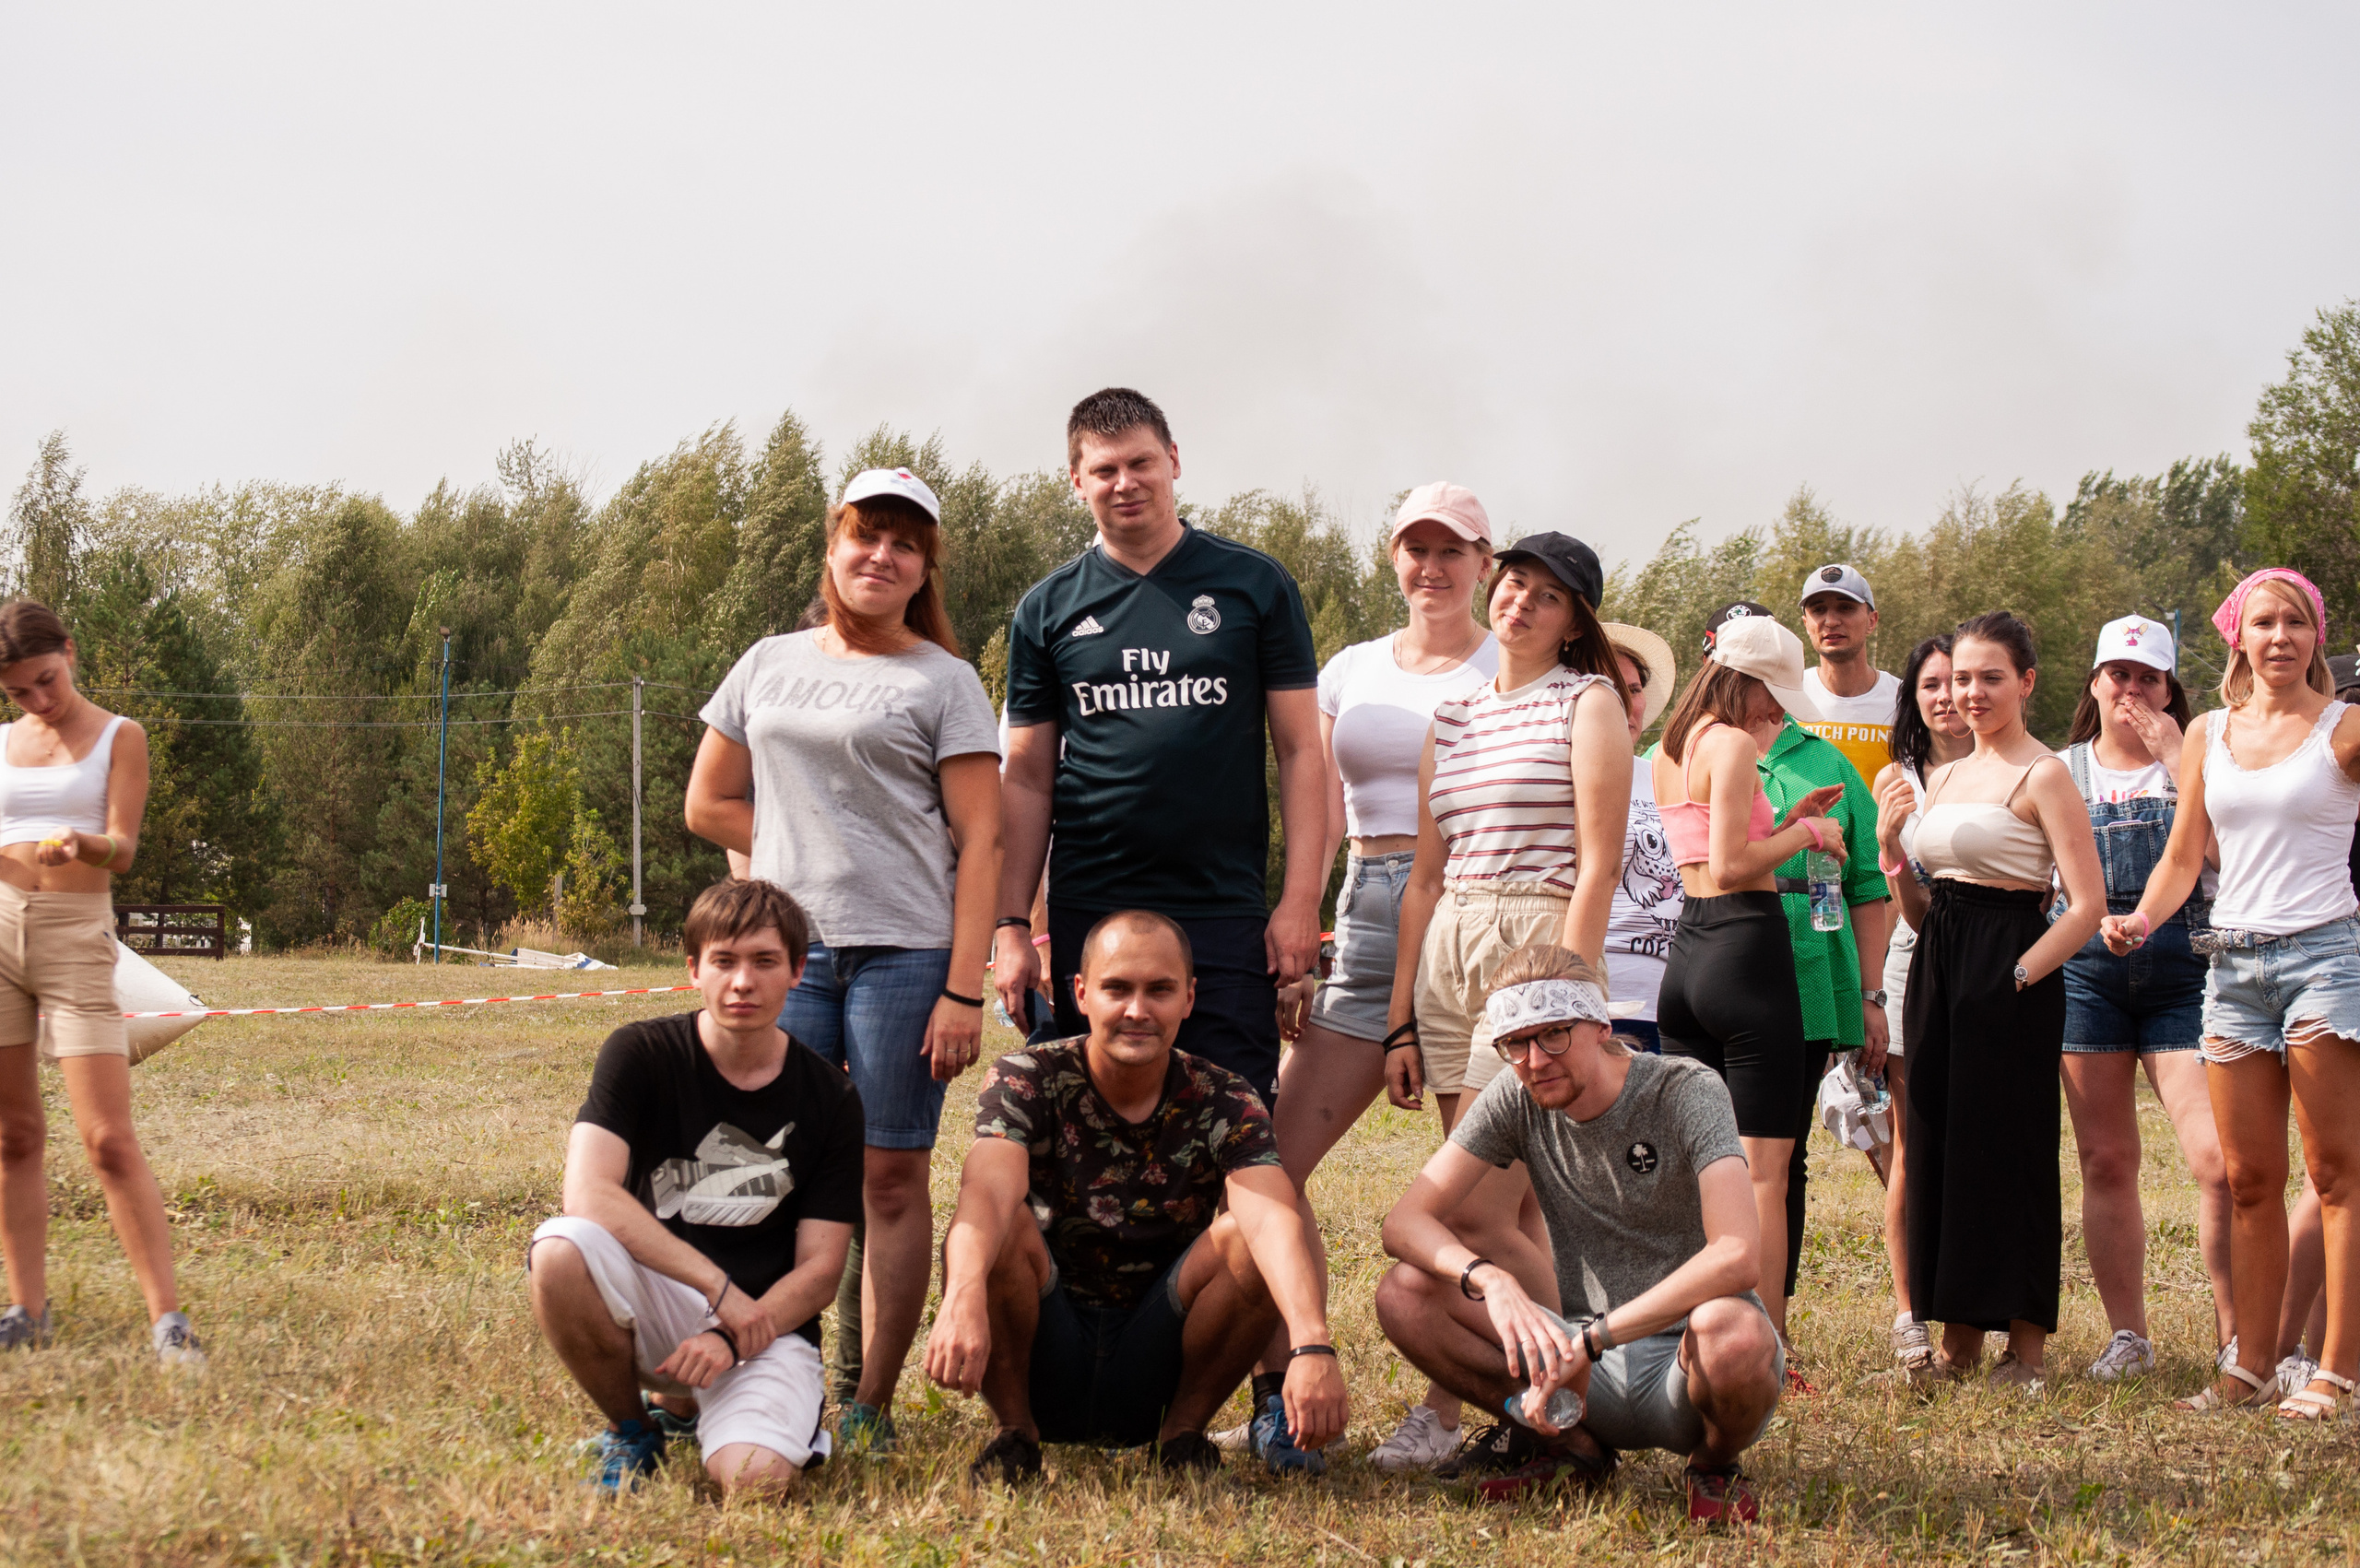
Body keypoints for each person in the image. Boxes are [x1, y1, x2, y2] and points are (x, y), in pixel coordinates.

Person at [685, 465, 1003, 1449]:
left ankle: (867, 1401)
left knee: (888, 1181)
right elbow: (708, 802)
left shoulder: (943, 682)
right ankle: (758, 1370)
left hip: (908, 958)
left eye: (905, 545)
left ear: (924, 572)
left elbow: (982, 841)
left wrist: (963, 989)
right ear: (832, 549)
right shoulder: (768, 661)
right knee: (758, 1162)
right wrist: (774, 862)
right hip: (792, 960)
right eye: (866, 536)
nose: (882, 556)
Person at [923, 911, 1348, 1481]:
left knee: (1252, 1230)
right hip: (1042, 1348)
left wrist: (1311, 1343)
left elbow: (1272, 1216)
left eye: (1160, 990)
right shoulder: (1027, 1076)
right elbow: (987, 1194)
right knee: (1001, 1228)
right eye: (1117, 988)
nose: (1137, 1010)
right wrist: (963, 1293)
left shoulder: (1226, 1096)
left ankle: (1182, 1439)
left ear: (1190, 999)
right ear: (1081, 993)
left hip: (1162, 1359)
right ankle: (1015, 1436)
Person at [1255, 482, 1498, 1471]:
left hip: (1469, 906)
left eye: (1453, 549)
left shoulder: (1511, 661)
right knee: (1268, 1163)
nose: (1431, 566)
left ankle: (1446, 1409)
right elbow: (1309, 799)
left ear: (1486, 560)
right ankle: (1282, 1392)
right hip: (1362, 905)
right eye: (1415, 548)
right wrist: (1298, 917)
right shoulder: (1347, 669)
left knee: (1472, 1189)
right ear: (1391, 558)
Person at [1374, 943, 1782, 1525]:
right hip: (1579, 1366)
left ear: (1600, 1025)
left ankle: (1712, 1466)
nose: (1535, 1060)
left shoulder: (1685, 1089)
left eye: (1555, 1034)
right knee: (1405, 1292)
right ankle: (1574, 1451)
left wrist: (1592, 1342)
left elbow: (1738, 1256)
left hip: (1688, 1364)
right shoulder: (1516, 1095)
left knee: (1732, 1331)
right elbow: (1405, 1220)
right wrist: (1489, 1280)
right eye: (1516, 1042)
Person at [992, 389, 1324, 1102]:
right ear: (1076, 482)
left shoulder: (1254, 584)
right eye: (1104, 469)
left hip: (1223, 909)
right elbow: (1024, 777)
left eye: (1141, 462)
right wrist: (1013, 922)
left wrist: (1300, 899)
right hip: (1091, 907)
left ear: (1173, 461)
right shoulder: (1046, 608)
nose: (1125, 482)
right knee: (1085, 1129)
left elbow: (1301, 751)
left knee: (1232, 1121)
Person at [2104, 570, 2360, 1420]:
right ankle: (2248, 1368)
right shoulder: (2208, 732)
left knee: (2335, 1176)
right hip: (2233, 970)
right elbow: (2185, 857)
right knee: (2248, 1179)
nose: (2280, 635)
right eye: (2264, 622)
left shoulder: (2344, 729)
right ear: (2238, 638)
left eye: (2296, 621)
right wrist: (2139, 919)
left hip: (2325, 960)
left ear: (2316, 636)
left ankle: (2332, 1373)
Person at [526, 879, 865, 1495]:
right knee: (558, 1249)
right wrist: (716, 1287)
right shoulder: (639, 1053)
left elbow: (821, 1270)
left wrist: (734, 1330)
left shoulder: (831, 1097)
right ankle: (634, 1429)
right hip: (665, 1296)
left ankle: (721, 1412)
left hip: (766, 1325)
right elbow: (588, 1193)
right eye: (724, 960)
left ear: (795, 970)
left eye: (764, 961)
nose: (742, 982)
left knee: (754, 1480)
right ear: (693, 969)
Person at [1902, 611, 2104, 1389]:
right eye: (1960, 678)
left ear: (2025, 682)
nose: (1971, 692)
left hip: (2012, 963)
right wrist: (1894, 857)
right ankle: (1957, 1338)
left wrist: (2019, 975)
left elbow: (2085, 903)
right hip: (1940, 959)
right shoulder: (1944, 776)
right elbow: (1924, 909)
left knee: (2009, 1151)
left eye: (1990, 677)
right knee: (1942, 1145)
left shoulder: (2045, 772)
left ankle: (2026, 1347)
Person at [0, 600, 202, 1367]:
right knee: (13, 1135)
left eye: (47, 681)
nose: (39, 701)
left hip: (77, 938)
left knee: (108, 1139)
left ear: (69, 652)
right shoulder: (1, 744)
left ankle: (169, 1323)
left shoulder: (122, 737)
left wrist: (84, 840)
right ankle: (27, 1309)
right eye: (20, 692)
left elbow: (121, 849)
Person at [1652, 607, 1845, 1358]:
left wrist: (1785, 818)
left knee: (1702, 1166)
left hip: (1689, 954)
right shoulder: (1732, 743)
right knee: (1763, 1174)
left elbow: (1706, 849)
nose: (1776, 713)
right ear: (1749, 683)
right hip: (1745, 951)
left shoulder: (1673, 745)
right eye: (1773, 696)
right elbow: (1735, 866)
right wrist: (1811, 835)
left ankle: (1691, 1330)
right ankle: (1767, 1346)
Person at [2053, 615, 2234, 1382]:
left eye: (2148, 678)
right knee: (2105, 1159)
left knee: (2219, 1163)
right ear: (2093, 685)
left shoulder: (2205, 760)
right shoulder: (2060, 769)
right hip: (2088, 977)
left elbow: (2235, 856)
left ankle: (2239, 1337)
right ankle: (2129, 1335)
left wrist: (2176, 756)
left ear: (2171, 691)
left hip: (2186, 975)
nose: (2131, 690)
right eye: (2117, 675)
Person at [1727, 600, 1889, 1381]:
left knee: (1779, 1162)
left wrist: (1868, 995)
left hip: (1807, 975)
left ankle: (1770, 1325)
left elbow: (1859, 887)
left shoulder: (1827, 762)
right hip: (1713, 969)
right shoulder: (1685, 751)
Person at [1869, 634, 1971, 1375]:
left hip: (1999, 961)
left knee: (1982, 1137)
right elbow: (1905, 907)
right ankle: (1911, 1314)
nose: (1946, 696)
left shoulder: (2020, 770)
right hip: (1916, 958)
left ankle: (1972, 1311)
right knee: (1915, 1141)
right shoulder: (1896, 780)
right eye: (1931, 684)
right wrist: (1890, 844)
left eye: (1958, 681)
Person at [1599, 622, 1682, 1055]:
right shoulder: (1558, 779)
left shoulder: (1662, 778)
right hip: (1598, 1000)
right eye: (1609, 687)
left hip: (1673, 1006)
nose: (1627, 703)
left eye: (1633, 689)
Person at [1797, 564, 1904, 784]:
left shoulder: (1904, 698)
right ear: (1806, 624)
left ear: (1871, 621)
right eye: (1818, 610)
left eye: (1846, 608)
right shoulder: (1787, 695)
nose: (1831, 621)